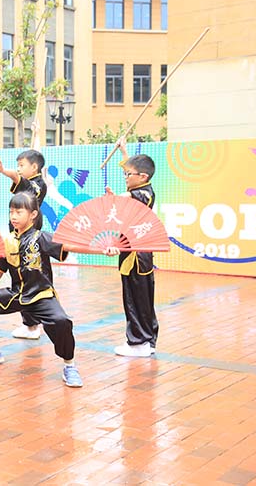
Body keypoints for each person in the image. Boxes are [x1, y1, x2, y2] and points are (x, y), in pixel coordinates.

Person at [0, 192, 115, 388]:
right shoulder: (6, 241)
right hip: (16, 295)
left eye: (19, 212)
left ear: (33, 214)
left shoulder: (41, 238)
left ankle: (69, 365)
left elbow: (71, 246)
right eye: (11, 212)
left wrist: (103, 249)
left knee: (62, 321)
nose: (13, 216)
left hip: (41, 295)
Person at [105, 140, 158, 357]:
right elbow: (128, 188)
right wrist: (124, 150)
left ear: (143, 177)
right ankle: (148, 340)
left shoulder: (144, 194)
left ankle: (138, 343)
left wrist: (113, 200)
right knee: (143, 298)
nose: (125, 177)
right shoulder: (141, 187)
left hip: (136, 255)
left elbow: (126, 198)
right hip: (138, 253)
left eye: (128, 174)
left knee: (135, 299)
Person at [0, 149, 49, 341]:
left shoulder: (37, 185)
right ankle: (31, 323)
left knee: (27, 279)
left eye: (22, 165)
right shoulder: (33, 183)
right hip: (20, 240)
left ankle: (32, 326)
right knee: (22, 279)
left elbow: (17, 178)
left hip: (27, 242)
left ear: (34, 167)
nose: (18, 169)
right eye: (18, 165)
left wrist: (3, 171)